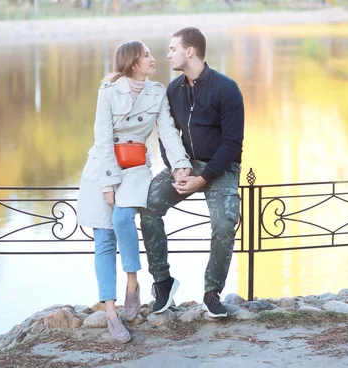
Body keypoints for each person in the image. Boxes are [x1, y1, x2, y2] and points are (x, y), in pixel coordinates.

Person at [76, 40, 192, 342]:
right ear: (132, 62)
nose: (154, 58)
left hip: (137, 167)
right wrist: (107, 183)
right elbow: (102, 139)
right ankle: (111, 312)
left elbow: (167, 130)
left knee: (122, 218)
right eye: (147, 55)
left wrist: (181, 164)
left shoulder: (157, 92)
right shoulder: (108, 93)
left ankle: (132, 282)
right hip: (103, 167)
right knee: (103, 237)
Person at [141, 27, 244, 318]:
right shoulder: (173, 90)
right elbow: (166, 135)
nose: (167, 54)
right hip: (183, 166)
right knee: (148, 206)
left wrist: (204, 177)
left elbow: (233, 144)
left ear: (190, 51)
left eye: (172, 49)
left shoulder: (226, 89)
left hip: (220, 167)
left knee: (224, 223)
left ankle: (212, 292)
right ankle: (163, 282)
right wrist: (177, 168)